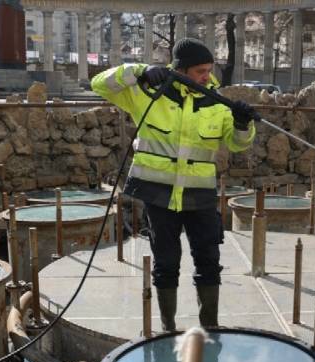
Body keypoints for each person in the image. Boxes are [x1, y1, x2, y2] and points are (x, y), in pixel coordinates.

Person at [91, 39, 258, 330]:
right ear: (180, 69)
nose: (207, 76)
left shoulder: (216, 103)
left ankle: (211, 327)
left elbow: (237, 143)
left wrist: (243, 124)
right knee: (166, 264)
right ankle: (168, 328)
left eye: (209, 70)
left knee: (208, 261)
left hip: (200, 197)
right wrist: (140, 71)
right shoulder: (147, 92)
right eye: (200, 71)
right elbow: (100, 84)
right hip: (159, 196)